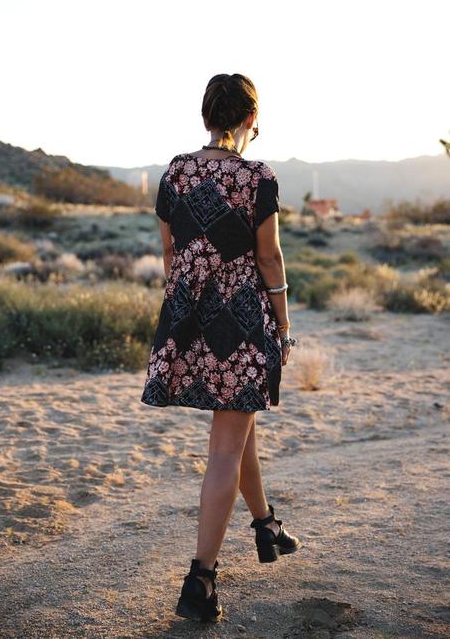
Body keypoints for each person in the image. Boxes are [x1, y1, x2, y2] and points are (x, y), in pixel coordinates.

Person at [140, 73, 301, 623]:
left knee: (238, 428)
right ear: (250, 119)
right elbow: (270, 259)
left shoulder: (176, 171)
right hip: (242, 324)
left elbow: (169, 251)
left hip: (189, 320)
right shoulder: (258, 176)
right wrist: (282, 326)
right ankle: (201, 580)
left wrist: (189, 301)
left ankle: (266, 528)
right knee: (227, 448)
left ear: (206, 115)